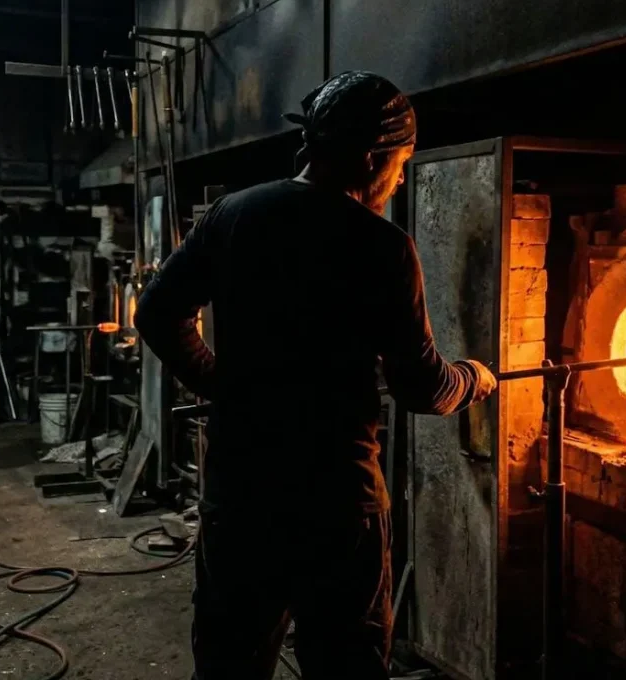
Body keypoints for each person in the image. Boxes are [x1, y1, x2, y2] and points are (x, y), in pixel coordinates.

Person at [134, 71, 499, 680]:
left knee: (229, 667)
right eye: (400, 163)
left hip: (241, 500)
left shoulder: (233, 214)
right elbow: (423, 387)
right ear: (369, 157)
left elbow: (156, 312)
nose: (402, 178)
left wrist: (219, 381)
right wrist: (474, 378)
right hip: (337, 513)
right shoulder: (382, 246)